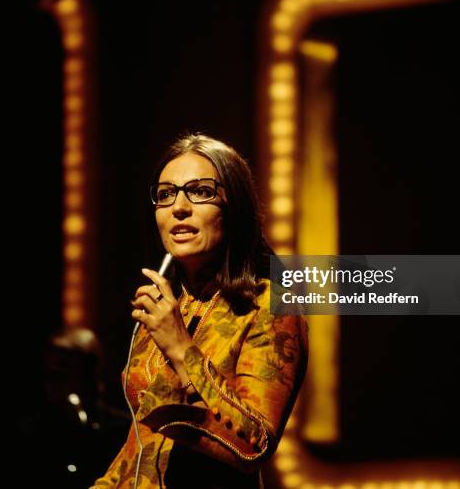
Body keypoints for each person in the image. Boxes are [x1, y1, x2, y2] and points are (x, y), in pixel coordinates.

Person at [91, 133, 308, 488]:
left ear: (234, 205)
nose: (179, 207)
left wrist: (181, 349)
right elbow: (141, 450)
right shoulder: (166, 307)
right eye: (165, 194)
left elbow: (255, 448)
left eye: (201, 191)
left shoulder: (270, 304)